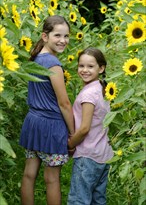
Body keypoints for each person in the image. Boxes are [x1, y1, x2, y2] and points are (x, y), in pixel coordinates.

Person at [19, 15, 74, 205]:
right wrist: (73, 134)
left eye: (66, 36)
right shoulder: (54, 65)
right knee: (52, 179)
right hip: (51, 127)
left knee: (28, 174)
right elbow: (64, 104)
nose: (63, 40)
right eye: (57, 35)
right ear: (45, 36)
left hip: (33, 122)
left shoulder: (35, 58)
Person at [67, 47, 114, 205]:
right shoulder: (103, 88)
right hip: (103, 154)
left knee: (79, 200)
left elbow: (85, 128)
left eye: (90, 66)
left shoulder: (88, 94)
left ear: (101, 68)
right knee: (97, 200)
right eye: (81, 66)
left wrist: (70, 145)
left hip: (87, 155)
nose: (84, 70)